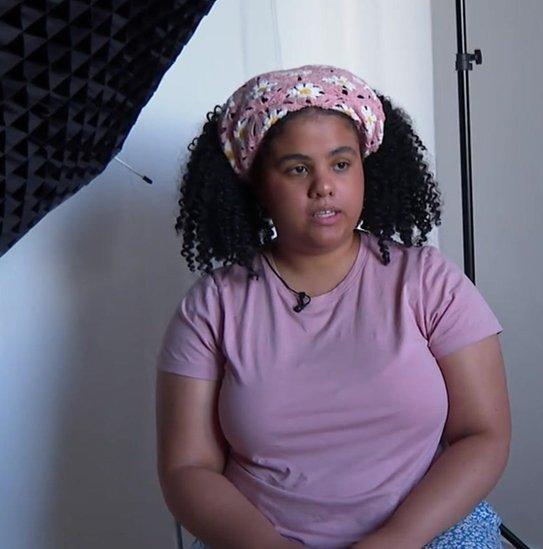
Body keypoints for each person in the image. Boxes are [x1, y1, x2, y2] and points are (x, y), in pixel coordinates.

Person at [155, 64, 511, 548]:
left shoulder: (428, 281)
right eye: (297, 168)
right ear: (258, 184)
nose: (323, 185)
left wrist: (396, 540)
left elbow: (483, 435)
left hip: (425, 537)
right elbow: (187, 468)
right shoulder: (211, 308)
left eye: (340, 164)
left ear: (366, 170)